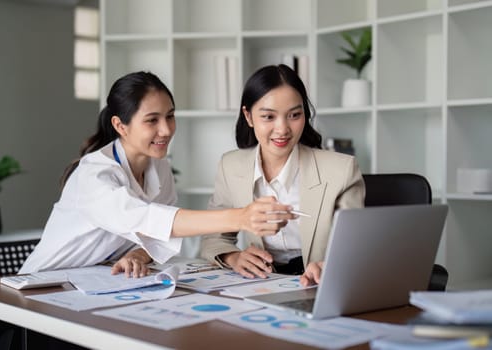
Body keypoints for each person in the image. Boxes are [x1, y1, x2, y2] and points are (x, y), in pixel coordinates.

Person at [19, 71, 295, 277]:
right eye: (152, 120)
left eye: (170, 116)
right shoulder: (94, 175)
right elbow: (149, 219)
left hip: (95, 281)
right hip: (42, 286)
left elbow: (154, 237)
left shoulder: (158, 166)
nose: (166, 130)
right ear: (120, 125)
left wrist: (137, 255)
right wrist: (242, 217)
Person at [200, 64, 365, 286]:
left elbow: (355, 246)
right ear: (248, 116)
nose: (283, 129)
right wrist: (234, 257)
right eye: (268, 117)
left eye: (294, 115)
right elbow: (214, 237)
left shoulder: (341, 170)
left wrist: (330, 265)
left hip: (318, 284)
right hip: (258, 284)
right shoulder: (231, 166)